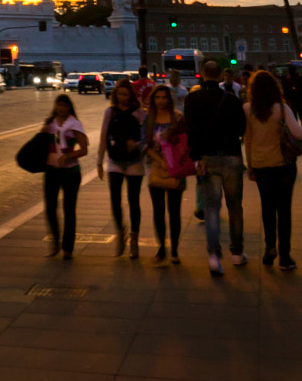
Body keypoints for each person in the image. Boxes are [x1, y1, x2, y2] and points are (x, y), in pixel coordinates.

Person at [185, 59, 248, 273]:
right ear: (220, 74)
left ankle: (214, 255)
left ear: (202, 74)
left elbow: (190, 131)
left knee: (212, 209)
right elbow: (241, 127)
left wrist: (196, 157)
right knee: (235, 207)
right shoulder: (230, 100)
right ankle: (237, 253)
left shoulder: (192, 99)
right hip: (231, 156)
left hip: (206, 158)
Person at [244, 68, 302, 270]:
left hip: (261, 164)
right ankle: (285, 256)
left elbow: (248, 140)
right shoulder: (282, 108)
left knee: (267, 207)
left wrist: (250, 165)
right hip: (283, 165)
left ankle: (269, 247)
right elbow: (297, 133)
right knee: (284, 209)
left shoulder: (248, 109)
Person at [97, 80, 145, 259]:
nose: (122, 98)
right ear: (115, 95)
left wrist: (137, 144)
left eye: (126, 94)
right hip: (114, 161)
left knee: (133, 201)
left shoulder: (138, 113)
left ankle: (134, 238)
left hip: (134, 162)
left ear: (130, 95)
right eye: (120, 94)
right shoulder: (110, 112)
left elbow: (145, 137)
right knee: (115, 200)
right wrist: (99, 162)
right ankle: (120, 231)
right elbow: (103, 137)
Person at [143, 85, 189, 264]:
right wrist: (159, 159)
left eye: (164, 97)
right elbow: (144, 143)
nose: (161, 101)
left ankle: (175, 249)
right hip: (155, 167)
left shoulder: (177, 118)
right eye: (158, 98)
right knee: (158, 210)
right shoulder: (149, 119)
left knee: (174, 210)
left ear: (169, 100)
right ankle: (161, 247)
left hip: (175, 168)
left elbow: (185, 142)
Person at [41, 93, 89, 259]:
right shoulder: (50, 123)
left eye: (64, 105)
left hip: (70, 172)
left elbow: (84, 149)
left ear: (69, 107)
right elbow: (41, 143)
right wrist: (43, 132)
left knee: (69, 210)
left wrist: (68, 156)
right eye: (58, 105)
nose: (61, 108)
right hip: (51, 171)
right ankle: (55, 241)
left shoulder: (74, 124)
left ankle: (68, 247)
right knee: (50, 208)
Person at [282, 64, 302, 136]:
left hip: (291, 102)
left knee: (293, 119)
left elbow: (284, 91)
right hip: (301, 102)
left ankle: (295, 134)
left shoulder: (285, 80)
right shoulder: (301, 79)